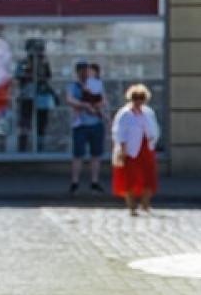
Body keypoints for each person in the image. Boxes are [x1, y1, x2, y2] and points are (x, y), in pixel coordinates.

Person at [112, 84, 161, 215]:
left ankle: (145, 204)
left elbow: (155, 128)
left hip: (146, 148)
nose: (138, 101)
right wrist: (122, 149)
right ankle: (132, 206)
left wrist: (153, 140)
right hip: (130, 150)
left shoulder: (148, 112)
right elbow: (119, 132)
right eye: (135, 98)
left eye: (141, 98)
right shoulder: (125, 114)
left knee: (149, 177)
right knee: (129, 178)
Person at [67, 62, 106, 193]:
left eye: (87, 71)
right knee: (78, 154)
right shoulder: (73, 86)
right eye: (82, 71)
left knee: (96, 154)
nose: (85, 73)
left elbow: (103, 100)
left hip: (96, 123)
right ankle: (75, 182)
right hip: (80, 124)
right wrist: (84, 105)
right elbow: (69, 100)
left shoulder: (96, 84)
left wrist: (96, 105)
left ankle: (94, 181)